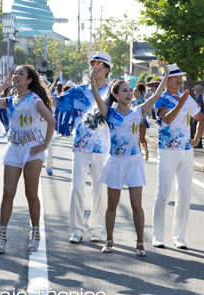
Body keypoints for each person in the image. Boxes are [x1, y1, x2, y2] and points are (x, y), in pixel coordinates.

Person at [88, 62, 168, 256]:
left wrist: (166, 74)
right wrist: (92, 78)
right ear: (116, 95)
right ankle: (109, 240)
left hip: (134, 162)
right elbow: (97, 96)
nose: (129, 93)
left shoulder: (138, 111)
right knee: (113, 205)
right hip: (115, 161)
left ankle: (140, 242)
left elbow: (157, 95)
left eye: (130, 90)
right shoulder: (109, 113)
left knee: (136, 205)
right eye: (125, 91)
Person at [0, 66, 55, 254]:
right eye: (15, 74)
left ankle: (35, 234)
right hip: (13, 149)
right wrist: (4, 85)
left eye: (20, 74)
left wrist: (45, 144)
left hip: (32, 150)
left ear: (29, 80)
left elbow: (51, 120)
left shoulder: (34, 99)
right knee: (8, 193)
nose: (15, 76)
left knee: (31, 193)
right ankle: (2, 237)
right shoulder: (11, 100)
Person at [56, 51, 113, 244]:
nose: (93, 67)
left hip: (103, 147)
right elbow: (58, 103)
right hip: (80, 145)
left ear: (106, 70)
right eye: (92, 64)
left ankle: (96, 229)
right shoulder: (78, 90)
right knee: (77, 188)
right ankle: (77, 230)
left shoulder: (112, 92)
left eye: (98, 65)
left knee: (99, 190)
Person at [152, 63, 204, 249]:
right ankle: (158, 235)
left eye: (180, 76)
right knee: (163, 193)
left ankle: (179, 236)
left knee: (184, 194)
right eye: (174, 76)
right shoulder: (160, 99)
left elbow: (200, 119)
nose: (179, 79)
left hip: (186, 151)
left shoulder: (187, 98)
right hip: (167, 150)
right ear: (166, 80)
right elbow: (166, 119)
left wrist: (197, 137)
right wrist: (180, 104)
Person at [133, 83, 151, 161]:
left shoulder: (142, 100)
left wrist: (146, 115)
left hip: (142, 121)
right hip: (134, 122)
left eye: (135, 91)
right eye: (133, 91)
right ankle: (139, 154)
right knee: (135, 138)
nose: (134, 92)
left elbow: (146, 110)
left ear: (139, 92)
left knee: (141, 138)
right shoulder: (132, 101)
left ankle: (146, 152)